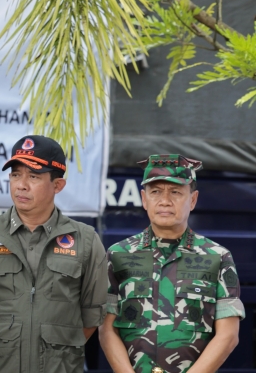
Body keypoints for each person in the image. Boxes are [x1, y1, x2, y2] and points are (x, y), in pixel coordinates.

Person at [0, 135, 108, 373]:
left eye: (33, 176)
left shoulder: (85, 241)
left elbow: (91, 316)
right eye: (15, 175)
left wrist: (55, 353)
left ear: (58, 185)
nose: (21, 185)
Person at [99, 154, 244, 373]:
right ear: (144, 199)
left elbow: (228, 335)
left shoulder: (217, 257)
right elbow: (106, 329)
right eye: (155, 192)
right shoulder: (118, 255)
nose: (165, 200)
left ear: (193, 200)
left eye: (175, 192)